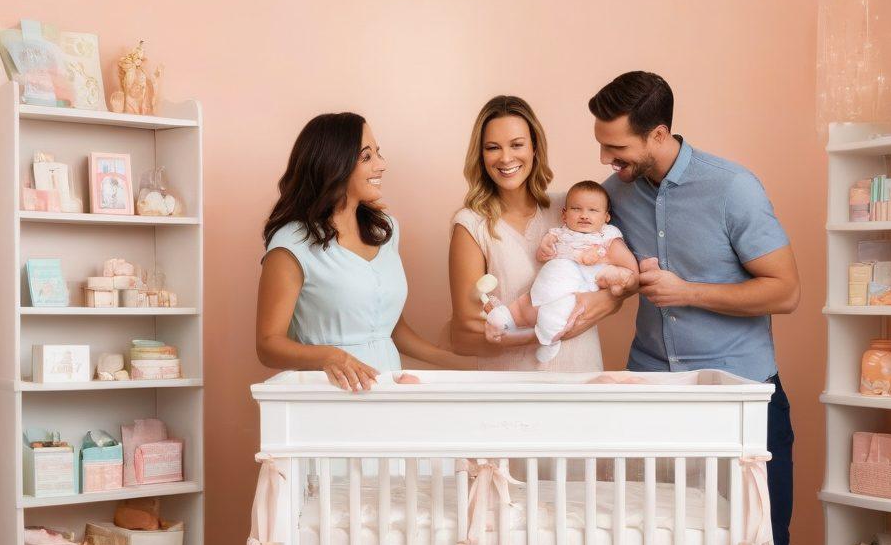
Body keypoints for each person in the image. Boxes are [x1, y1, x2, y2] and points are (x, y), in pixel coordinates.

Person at [589, 71, 824, 545]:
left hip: (741, 395)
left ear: (659, 132)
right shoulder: (615, 195)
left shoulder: (732, 187)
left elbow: (785, 291)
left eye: (618, 147)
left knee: (764, 539)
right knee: (647, 537)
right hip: (650, 392)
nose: (609, 161)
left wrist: (690, 293)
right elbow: (605, 271)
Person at [256, 112, 470, 391]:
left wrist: (462, 363)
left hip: (387, 389)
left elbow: (393, 329)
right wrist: (330, 356)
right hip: (327, 392)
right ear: (334, 165)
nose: (382, 165)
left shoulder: (385, 232)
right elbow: (268, 345)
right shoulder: (292, 244)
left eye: (378, 153)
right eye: (366, 157)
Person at [447, 95, 605, 371]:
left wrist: (607, 299)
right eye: (492, 147)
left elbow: (617, 278)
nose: (506, 158)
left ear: (534, 148)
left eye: (517, 144)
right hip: (514, 393)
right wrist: (541, 333)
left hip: (583, 380)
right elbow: (462, 336)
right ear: (481, 155)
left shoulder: (570, 209)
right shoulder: (471, 225)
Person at [483, 180, 637, 364]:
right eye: (576, 209)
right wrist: (544, 249)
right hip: (552, 279)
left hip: (578, 285)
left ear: (606, 217)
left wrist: (619, 277)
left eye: (593, 210)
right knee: (528, 301)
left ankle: (546, 340)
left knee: (554, 313)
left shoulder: (607, 237)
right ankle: (506, 317)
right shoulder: (559, 233)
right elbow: (542, 256)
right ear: (564, 215)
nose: (584, 215)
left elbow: (631, 271)